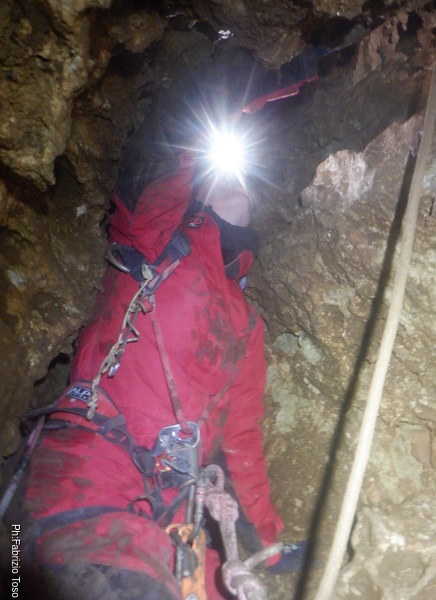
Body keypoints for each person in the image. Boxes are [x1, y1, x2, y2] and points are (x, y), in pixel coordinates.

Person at [15, 150, 302, 600]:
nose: (238, 184)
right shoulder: (157, 240)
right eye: (225, 176)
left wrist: (267, 543)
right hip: (91, 465)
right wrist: (228, 116)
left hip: (175, 502)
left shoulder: (248, 324)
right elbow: (160, 173)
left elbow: (243, 438)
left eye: (245, 181)